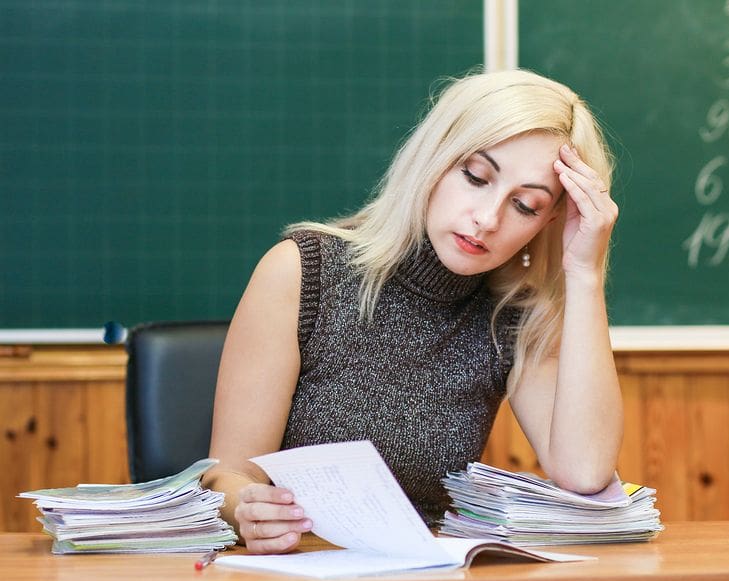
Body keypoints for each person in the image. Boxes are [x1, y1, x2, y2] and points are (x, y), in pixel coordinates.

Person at [202, 68, 623, 554]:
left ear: (550, 220)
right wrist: (247, 509)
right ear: (434, 160)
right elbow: (226, 476)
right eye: (475, 177)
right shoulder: (304, 271)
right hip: (300, 569)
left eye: (525, 205)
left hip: (429, 574)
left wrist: (585, 273)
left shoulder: (511, 314)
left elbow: (585, 471)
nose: (487, 219)